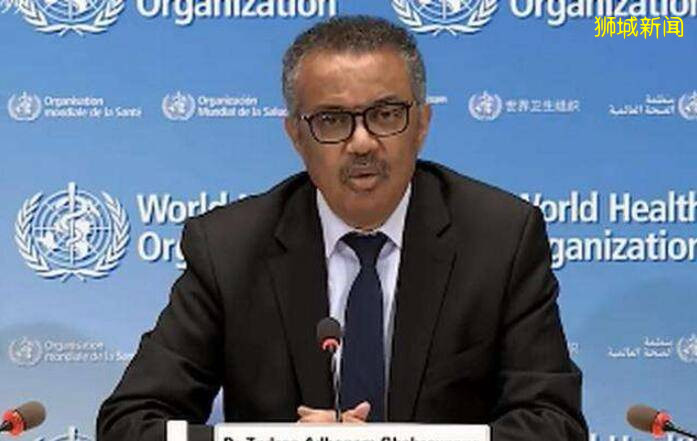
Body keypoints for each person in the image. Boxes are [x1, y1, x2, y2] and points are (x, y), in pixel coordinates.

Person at [97, 15, 588, 441]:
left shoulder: (499, 238)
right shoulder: (229, 249)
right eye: (332, 120)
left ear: (422, 124)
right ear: (296, 135)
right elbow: (130, 422)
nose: (362, 142)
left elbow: (553, 423)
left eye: (386, 115)